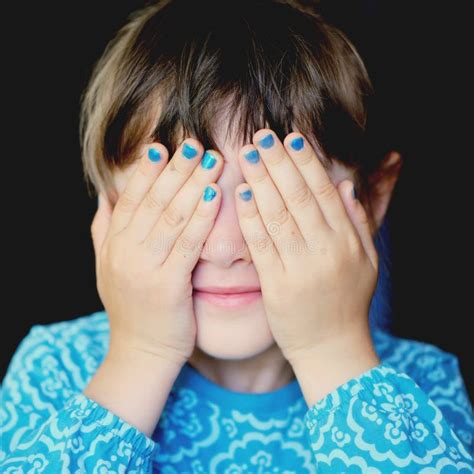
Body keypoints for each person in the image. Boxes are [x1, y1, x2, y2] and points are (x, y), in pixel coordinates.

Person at [1, 0, 472, 472]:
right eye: (181, 198)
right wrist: (140, 356)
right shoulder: (54, 367)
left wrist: (331, 350)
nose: (225, 250)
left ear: (371, 200)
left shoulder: (424, 381)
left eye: (276, 197)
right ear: (111, 205)